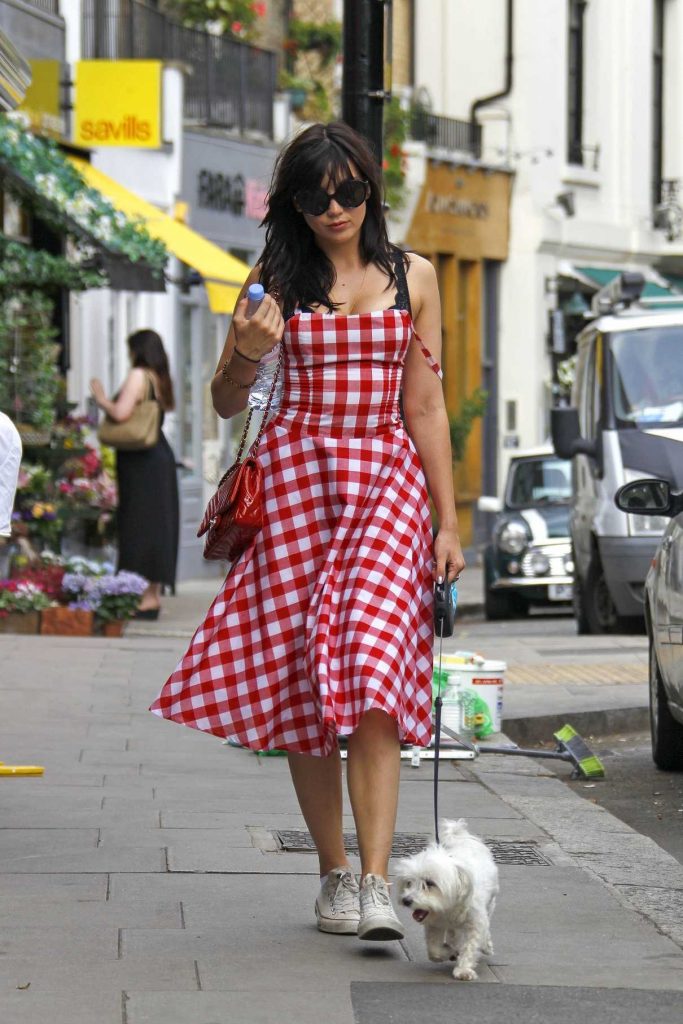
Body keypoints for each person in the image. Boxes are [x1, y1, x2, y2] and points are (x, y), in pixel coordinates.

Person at [150, 122, 464, 939]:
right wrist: (248, 355)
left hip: (385, 487)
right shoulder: (273, 279)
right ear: (292, 202)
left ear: (371, 189)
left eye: (350, 190)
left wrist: (447, 518)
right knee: (303, 682)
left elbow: (424, 403)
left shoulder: (416, 277)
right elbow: (223, 401)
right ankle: (333, 874)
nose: (334, 208)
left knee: (369, 671)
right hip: (295, 487)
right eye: (315, 195)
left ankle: (371, 879)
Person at [90, 330, 179, 619]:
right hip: (158, 457)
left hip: (141, 461)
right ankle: (151, 596)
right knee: (156, 527)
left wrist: (102, 399)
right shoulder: (159, 376)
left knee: (137, 524)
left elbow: (121, 413)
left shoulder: (139, 375)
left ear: (137, 350)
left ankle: (139, 598)